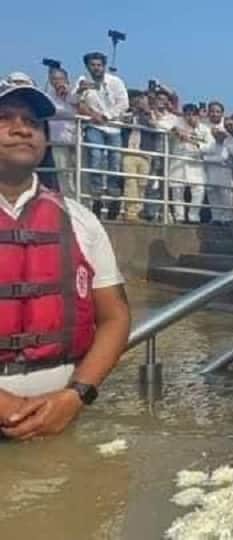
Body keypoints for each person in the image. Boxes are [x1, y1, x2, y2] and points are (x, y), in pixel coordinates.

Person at [0, 75, 130, 440]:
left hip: (64, 412)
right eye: (6, 118)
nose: (22, 130)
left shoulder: (80, 219)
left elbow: (115, 316)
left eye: (32, 123)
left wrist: (77, 395)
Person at [74, 52, 129, 220]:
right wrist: (80, 91)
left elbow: (124, 103)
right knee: (95, 155)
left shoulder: (115, 81)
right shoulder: (82, 81)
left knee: (115, 160)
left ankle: (113, 195)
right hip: (94, 126)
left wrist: (106, 116)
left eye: (99, 65)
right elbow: (73, 101)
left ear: (104, 66)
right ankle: (96, 193)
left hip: (112, 126)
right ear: (87, 66)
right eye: (93, 65)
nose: (96, 68)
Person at [169, 104, 214, 224]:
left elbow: (211, 146)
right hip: (178, 161)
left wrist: (195, 142)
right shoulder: (177, 124)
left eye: (192, 114)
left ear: (197, 115)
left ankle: (194, 216)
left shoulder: (204, 129)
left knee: (198, 190)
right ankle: (179, 216)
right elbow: (165, 127)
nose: (189, 117)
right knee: (177, 189)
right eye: (187, 114)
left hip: (195, 162)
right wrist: (174, 131)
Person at [121, 91, 163, 222]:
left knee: (142, 184)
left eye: (145, 100)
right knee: (130, 182)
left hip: (145, 154)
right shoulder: (127, 112)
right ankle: (131, 212)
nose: (142, 102)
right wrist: (134, 112)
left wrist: (149, 112)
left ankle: (137, 212)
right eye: (140, 99)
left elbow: (156, 126)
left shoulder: (150, 114)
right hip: (129, 152)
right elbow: (123, 119)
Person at [46, 68, 79, 198]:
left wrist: (67, 96)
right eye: (54, 79)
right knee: (62, 170)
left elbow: (82, 108)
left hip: (77, 137)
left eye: (60, 79)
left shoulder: (75, 93)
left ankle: (82, 200)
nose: (57, 82)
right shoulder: (48, 97)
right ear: (50, 81)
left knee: (79, 170)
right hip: (58, 139)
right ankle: (67, 199)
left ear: (66, 80)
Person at [204, 101, 233, 225]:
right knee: (212, 193)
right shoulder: (204, 127)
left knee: (226, 194)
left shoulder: (227, 127)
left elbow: (228, 151)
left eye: (217, 111)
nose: (214, 114)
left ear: (222, 113)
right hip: (209, 168)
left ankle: (227, 219)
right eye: (212, 111)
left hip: (224, 168)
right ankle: (216, 218)